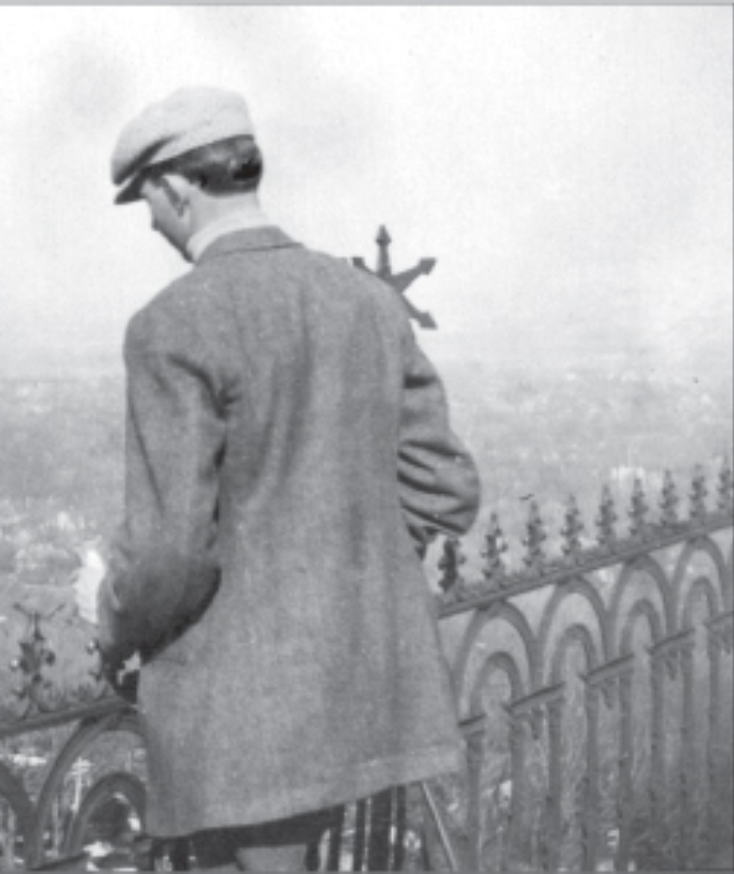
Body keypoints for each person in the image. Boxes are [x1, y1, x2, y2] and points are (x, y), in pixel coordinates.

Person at [76, 86, 481, 871]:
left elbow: (170, 558)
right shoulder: (366, 301)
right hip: (353, 693)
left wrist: (105, 608)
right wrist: (334, 587)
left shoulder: (172, 325)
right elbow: (444, 487)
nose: (153, 222)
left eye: (146, 202)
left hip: (240, 724)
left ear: (175, 187)